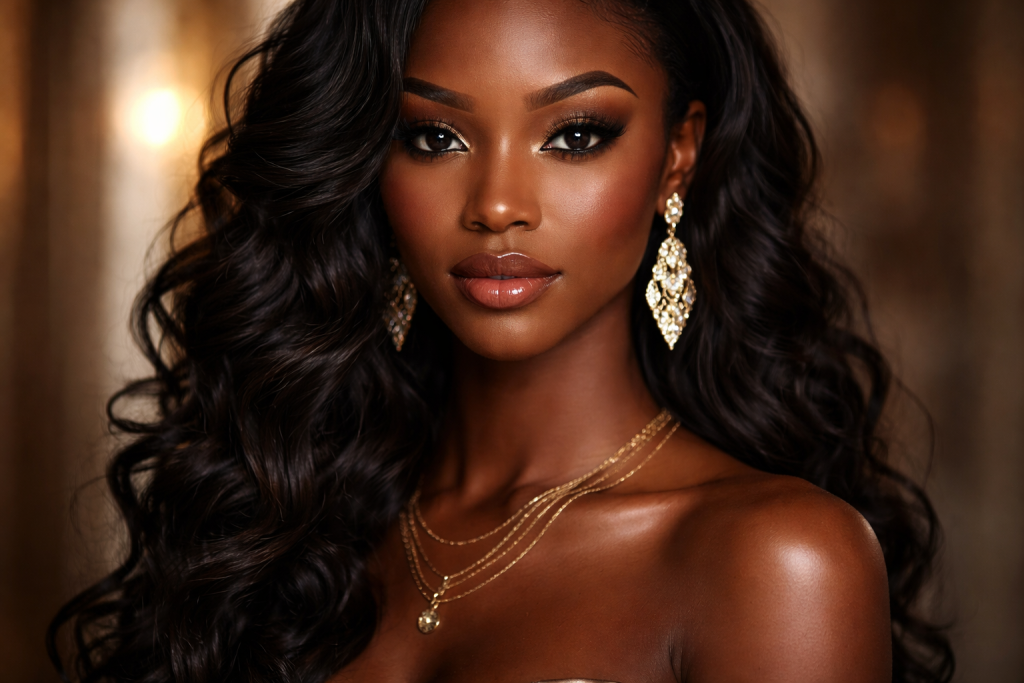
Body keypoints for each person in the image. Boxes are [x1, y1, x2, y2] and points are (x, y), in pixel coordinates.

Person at [49, 0, 955, 681]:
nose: (495, 205)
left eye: (575, 135)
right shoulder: (292, 521)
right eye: (434, 135)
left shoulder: (779, 559)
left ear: (680, 151)